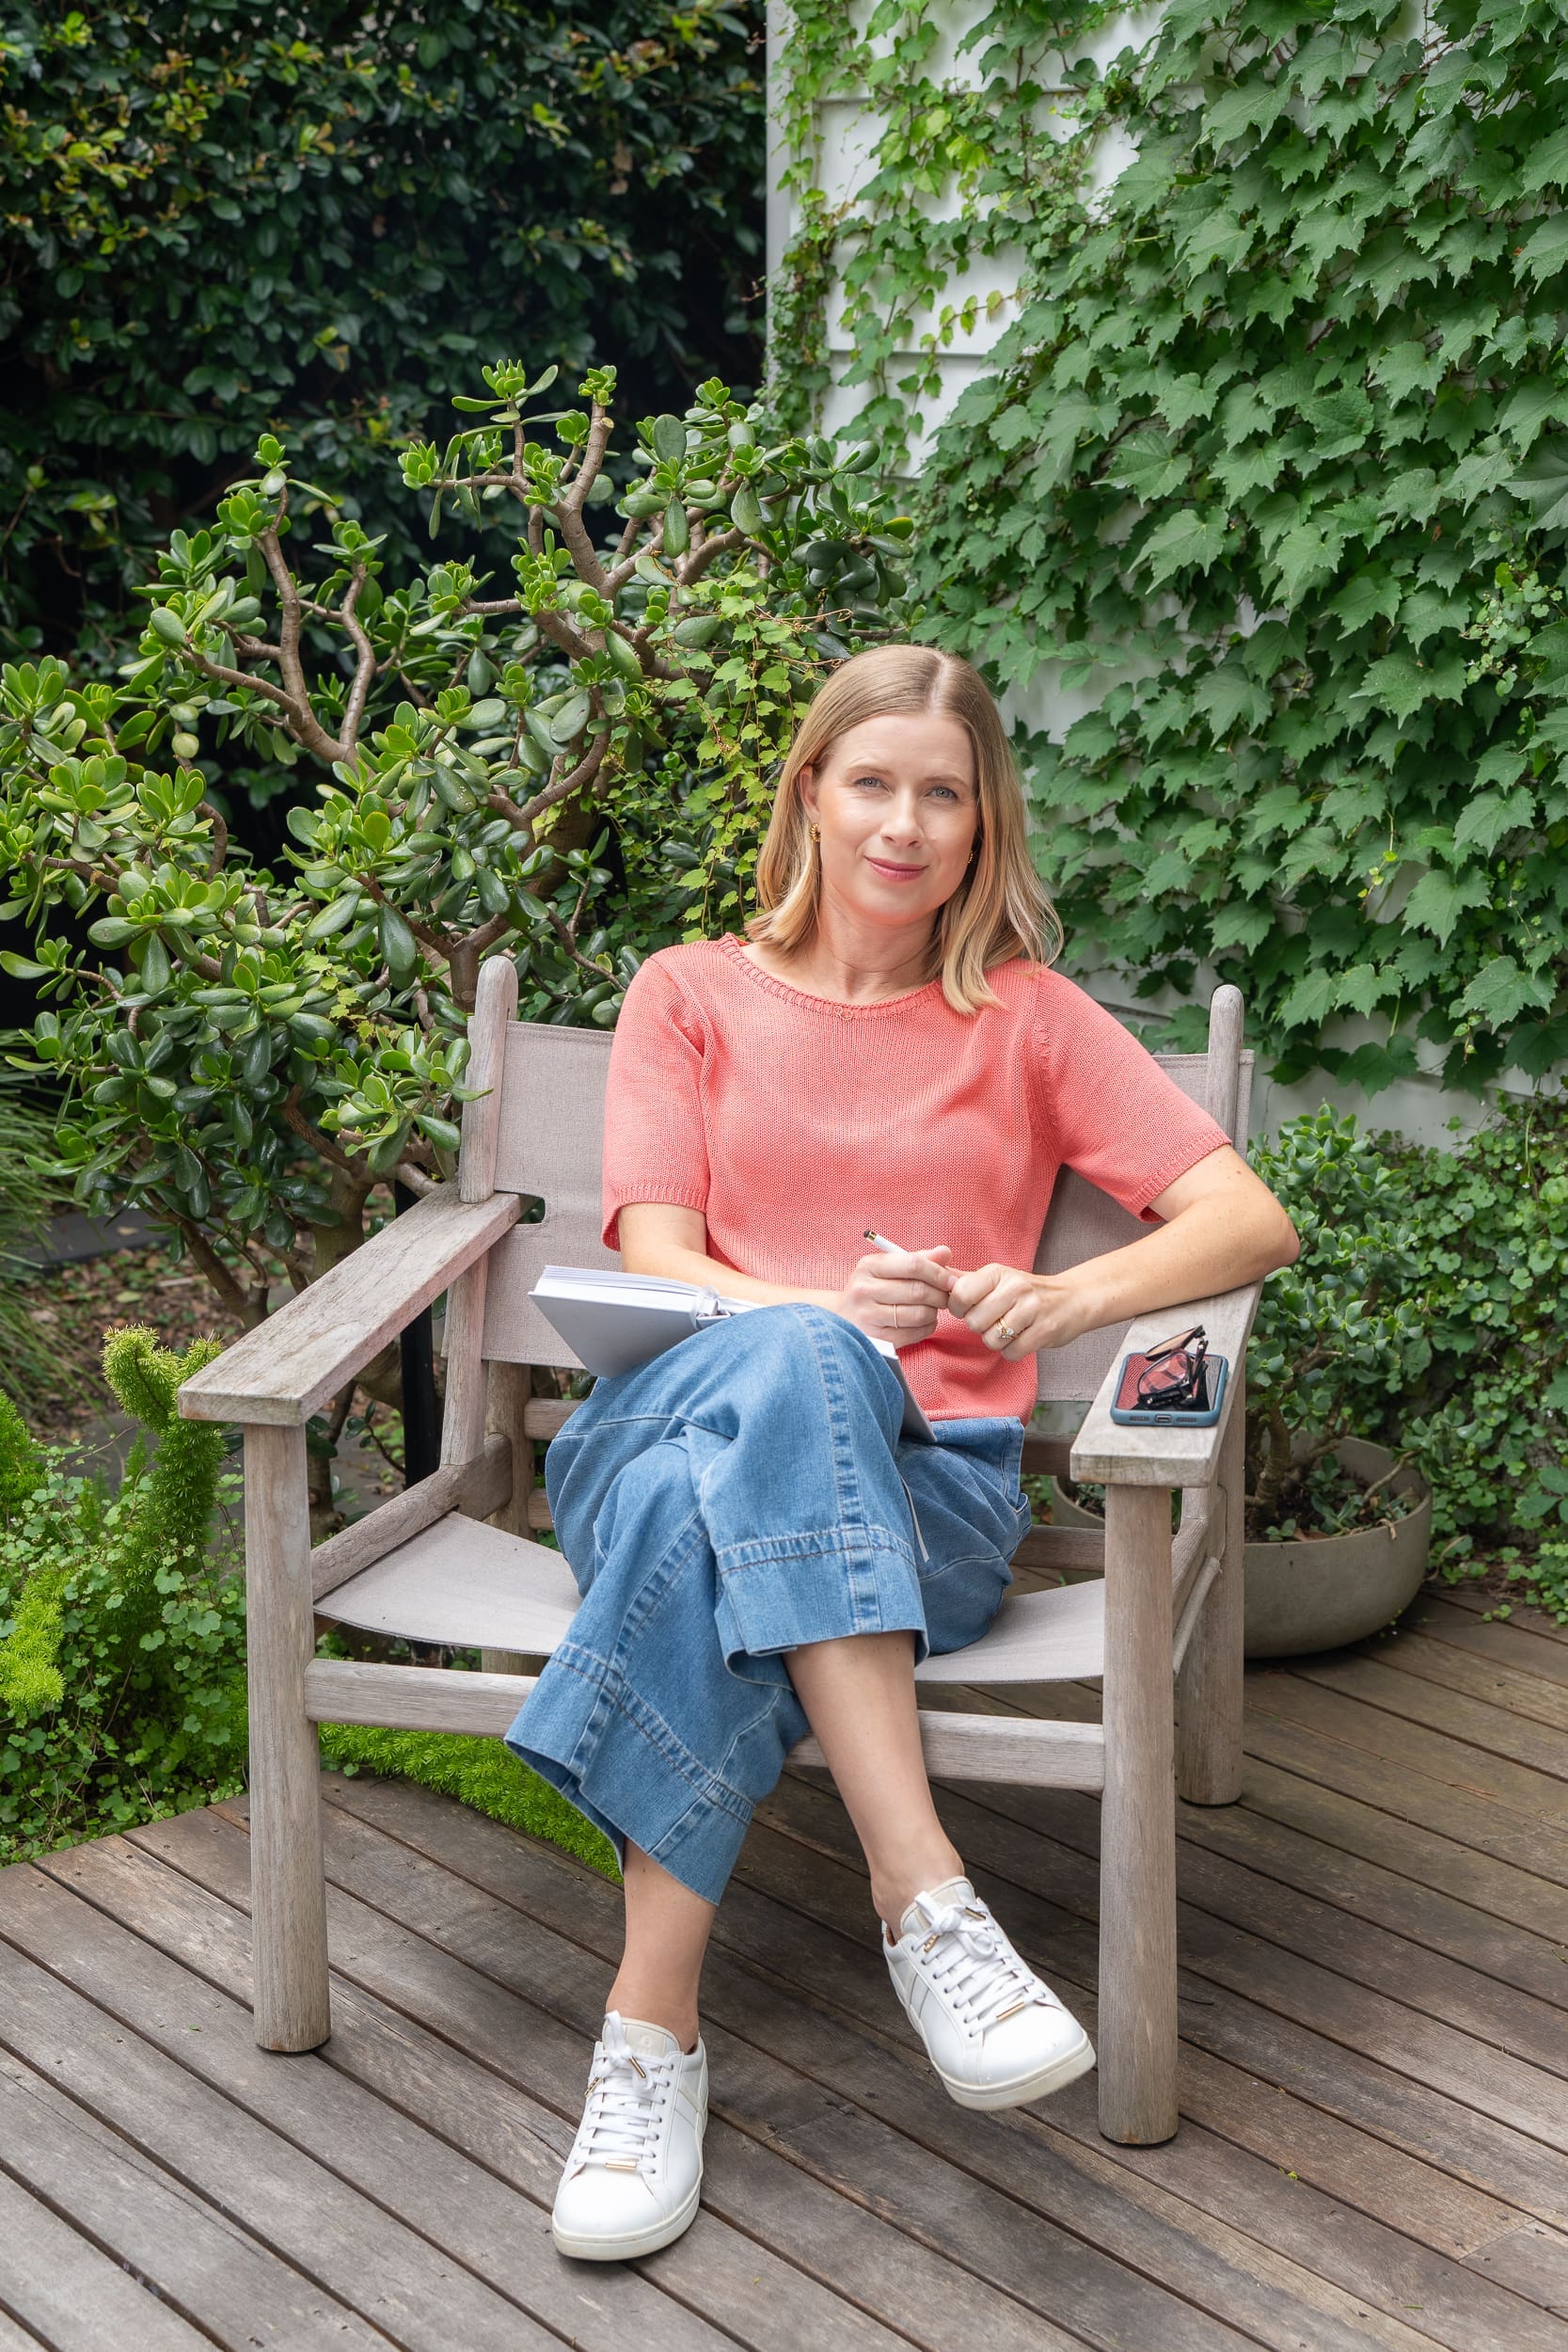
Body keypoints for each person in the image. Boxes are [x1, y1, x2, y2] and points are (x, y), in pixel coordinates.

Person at [505, 644, 1299, 2264]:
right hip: (666, 1410)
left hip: (924, 1500)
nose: (905, 823)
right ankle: (924, 1898)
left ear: (983, 823)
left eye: (944, 793)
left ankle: (648, 2037)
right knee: (786, 1364)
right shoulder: (691, 993)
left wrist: (1065, 1291)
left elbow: (1249, 1219)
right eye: (873, 783)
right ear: (811, 792)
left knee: (697, 1524)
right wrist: (815, 1317)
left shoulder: (1028, 1022)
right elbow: (656, 1251)